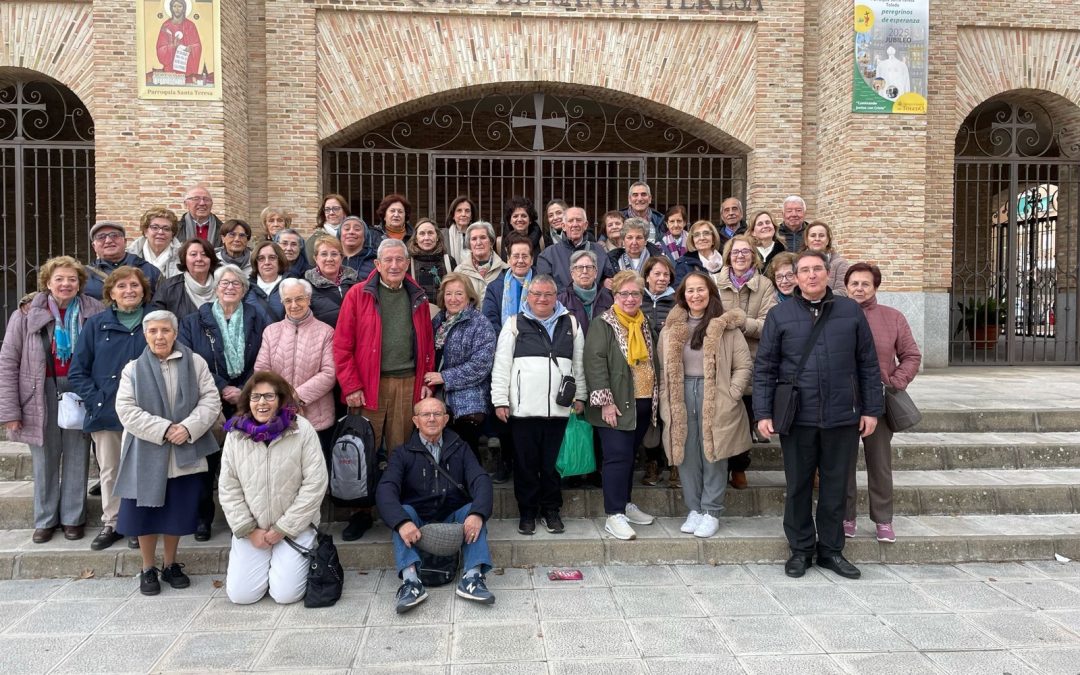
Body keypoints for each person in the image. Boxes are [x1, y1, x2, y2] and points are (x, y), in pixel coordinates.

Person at [753, 250, 883, 580]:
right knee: (798, 485)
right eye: (804, 271)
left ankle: (831, 550)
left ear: (827, 274)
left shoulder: (849, 311)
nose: (811, 275)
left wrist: (871, 408)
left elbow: (867, 364)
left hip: (842, 415)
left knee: (835, 486)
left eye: (817, 269)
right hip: (798, 417)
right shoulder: (779, 316)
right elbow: (765, 368)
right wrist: (763, 412)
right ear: (795, 278)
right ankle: (800, 549)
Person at [114, 310, 221, 595]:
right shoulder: (133, 368)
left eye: (165, 330)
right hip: (147, 449)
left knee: (175, 511)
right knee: (146, 513)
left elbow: (211, 399)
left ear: (175, 333)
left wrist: (187, 428)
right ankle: (148, 567)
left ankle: (171, 563)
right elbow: (126, 409)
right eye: (153, 331)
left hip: (184, 448)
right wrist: (163, 429)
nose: (160, 336)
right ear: (146, 334)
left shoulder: (195, 362)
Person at [0, 257, 105, 543]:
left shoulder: (94, 310)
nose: (66, 284)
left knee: (77, 455)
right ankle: (45, 520)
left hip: (79, 388)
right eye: (59, 278)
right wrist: (10, 409)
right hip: (38, 390)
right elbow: (8, 361)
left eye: (72, 279)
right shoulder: (24, 315)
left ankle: (73, 518)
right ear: (48, 282)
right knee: (44, 458)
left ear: (80, 283)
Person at [376, 398, 495, 614]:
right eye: (425, 414)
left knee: (472, 511)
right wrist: (402, 522)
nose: (432, 418)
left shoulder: (460, 447)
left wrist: (477, 514)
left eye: (437, 414)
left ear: (446, 419)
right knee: (404, 513)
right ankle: (411, 582)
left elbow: (480, 480)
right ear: (416, 420)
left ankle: (472, 578)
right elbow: (386, 489)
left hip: (452, 513)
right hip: (418, 519)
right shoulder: (402, 453)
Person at [219, 372, 328, 605]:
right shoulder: (236, 434)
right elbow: (228, 487)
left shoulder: (301, 429)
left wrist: (283, 528)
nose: (261, 403)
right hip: (253, 529)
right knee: (241, 596)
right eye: (255, 397)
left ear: (280, 399)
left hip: (293, 527)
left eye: (269, 396)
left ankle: (287, 558)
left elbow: (315, 483)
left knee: (285, 595)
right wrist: (249, 530)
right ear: (247, 400)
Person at [658, 272, 753, 538]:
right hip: (681, 393)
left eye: (700, 290)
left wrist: (732, 393)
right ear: (683, 295)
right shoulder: (670, 329)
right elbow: (662, 368)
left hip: (717, 393)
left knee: (713, 452)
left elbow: (744, 365)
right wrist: (666, 399)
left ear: (710, 293)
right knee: (686, 452)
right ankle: (694, 509)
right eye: (690, 291)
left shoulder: (725, 327)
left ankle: (711, 510)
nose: (695, 295)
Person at [179, 265, 269, 541]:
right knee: (208, 462)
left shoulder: (258, 317)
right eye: (224, 283)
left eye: (236, 284)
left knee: (247, 463)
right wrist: (222, 387)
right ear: (215, 288)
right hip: (209, 399)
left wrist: (243, 390)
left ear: (244, 289)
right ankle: (203, 518)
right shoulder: (194, 321)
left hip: (249, 399)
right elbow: (190, 359)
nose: (230, 288)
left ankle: (244, 519)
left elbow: (266, 356)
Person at [491, 275, 585, 535]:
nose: (542, 299)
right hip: (523, 410)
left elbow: (579, 364)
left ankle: (551, 510)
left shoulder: (571, 324)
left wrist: (581, 397)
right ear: (528, 296)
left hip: (559, 409)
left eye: (548, 294)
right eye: (536, 294)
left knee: (552, 464)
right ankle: (528, 512)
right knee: (526, 465)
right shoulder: (514, 324)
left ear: (556, 297)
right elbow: (501, 366)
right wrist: (500, 400)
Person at [69, 267, 151, 551]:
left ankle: (139, 523)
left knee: (144, 468)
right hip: (107, 409)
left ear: (143, 290)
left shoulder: (155, 321)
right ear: (111, 293)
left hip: (147, 411)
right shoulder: (96, 324)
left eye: (134, 285)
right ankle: (114, 522)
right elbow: (77, 371)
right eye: (121, 286)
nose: (129, 290)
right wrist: (97, 399)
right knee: (111, 469)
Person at [334, 238, 436, 462]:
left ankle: (395, 494)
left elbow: (427, 344)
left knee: (401, 450)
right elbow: (342, 346)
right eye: (388, 260)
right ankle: (366, 496)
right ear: (377, 265)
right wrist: (351, 386)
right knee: (365, 447)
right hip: (369, 385)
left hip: (408, 384)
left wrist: (426, 382)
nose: (394, 265)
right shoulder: (358, 295)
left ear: (407, 264)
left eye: (399, 259)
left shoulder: (418, 296)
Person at [843, 263, 921, 543]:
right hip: (843, 400)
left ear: (875, 287)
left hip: (878, 398)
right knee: (842, 463)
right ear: (846, 286)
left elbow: (911, 355)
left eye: (865, 284)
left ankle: (883, 519)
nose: (859, 289)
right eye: (854, 283)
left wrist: (896, 381)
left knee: (879, 463)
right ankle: (846, 516)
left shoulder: (892, 317)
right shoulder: (835, 315)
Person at [583, 271, 660, 541]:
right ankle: (613, 514)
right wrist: (604, 402)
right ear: (614, 296)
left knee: (629, 456)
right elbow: (594, 362)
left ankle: (625, 504)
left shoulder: (644, 322)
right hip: (615, 404)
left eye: (635, 293)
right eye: (624, 294)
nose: (630, 298)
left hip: (641, 401)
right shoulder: (602, 323)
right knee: (616, 457)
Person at [715, 235, 779, 487]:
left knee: (746, 416)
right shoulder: (715, 283)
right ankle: (722, 465)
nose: (740, 256)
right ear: (728, 256)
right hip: (722, 360)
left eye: (745, 252)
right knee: (723, 418)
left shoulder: (765, 285)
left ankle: (739, 467)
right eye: (734, 252)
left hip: (753, 360)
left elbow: (769, 323)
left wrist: (742, 323)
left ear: (754, 255)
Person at [254, 278, 338, 450]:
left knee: (316, 472)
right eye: (288, 300)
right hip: (278, 414)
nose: (294, 305)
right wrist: (282, 398)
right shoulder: (271, 332)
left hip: (316, 419)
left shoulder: (326, 332)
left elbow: (329, 373)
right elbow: (261, 370)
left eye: (299, 298)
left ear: (308, 299)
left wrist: (296, 396)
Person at [480, 234, 534, 483]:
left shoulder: (542, 284)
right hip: (504, 355)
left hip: (534, 356)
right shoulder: (496, 286)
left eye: (525, 255)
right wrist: (509, 341)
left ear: (532, 258)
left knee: (527, 414)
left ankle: (525, 462)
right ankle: (505, 461)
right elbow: (490, 319)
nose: (520, 260)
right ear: (508, 259)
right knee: (504, 410)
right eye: (516, 256)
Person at [423, 273, 496, 458]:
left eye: (459, 294)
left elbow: (481, 365)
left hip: (468, 403)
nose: (453, 299)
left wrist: (444, 377)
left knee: (465, 457)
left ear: (469, 297)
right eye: (448, 294)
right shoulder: (438, 321)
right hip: (438, 398)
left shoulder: (480, 323)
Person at [639, 255, 678, 488]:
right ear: (647, 277)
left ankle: (675, 464)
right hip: (645, 368)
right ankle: (652, 464)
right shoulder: (638, 299)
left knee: (673, 417)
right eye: (657, 274)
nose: (662, 278)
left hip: (672, 368)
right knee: (651, 420)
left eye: (666, 275)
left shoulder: (677, 301)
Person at [536, 207, 615, 291]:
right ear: (563, 226)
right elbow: (545, 287)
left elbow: (609, 280)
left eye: (578, 220)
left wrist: (604, 283)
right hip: (562, 303)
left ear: (585, 225)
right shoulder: (548, 255)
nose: (575, 224)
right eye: (570, 221)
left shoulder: (599, 250)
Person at [84, 221, 162, 301]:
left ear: (125, 242)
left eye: (114, 235)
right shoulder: (84, 276)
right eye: (101, 237)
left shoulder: (150, 271)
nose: (108, 240)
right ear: (94, 246)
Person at [151, 238, 220, 321]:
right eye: (193, 254)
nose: (199, 259)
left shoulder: (224, 285)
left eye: (204, 254)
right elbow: (157, 321)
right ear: (184, 258)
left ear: (211, 259)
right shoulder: (168, 288)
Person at [304, 236, 360, 327]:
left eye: (334, 254)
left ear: (341, 258)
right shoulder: (306, 287)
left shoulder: (356, 282)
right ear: (315, 258)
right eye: (324, 254)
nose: (329, 259)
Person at [558, 248, 615, 337]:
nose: (584, 271)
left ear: (596, 273)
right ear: (572, 273)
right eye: (580, 268)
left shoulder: (609, 299)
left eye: (589, 267)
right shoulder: (561, 301)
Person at [407, 218, 456, 305]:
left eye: (430, 233)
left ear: (437, 237)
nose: (426, 238)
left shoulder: (449, 261)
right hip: (418, 315)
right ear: (415, 239)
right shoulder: (409, 263)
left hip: (445, 315)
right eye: (422, 234)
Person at [456, 222, 509, 299]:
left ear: (491, 242)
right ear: (469, 244)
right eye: (474, 239)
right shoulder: (459, 272)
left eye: (483, 237)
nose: (478, 243)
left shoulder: (505, 270)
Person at [128, 207, 182, 278]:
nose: (160, 232)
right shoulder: (130, 255)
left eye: (166, 229)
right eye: (155, 227)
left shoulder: (182, 256)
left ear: (173, 234)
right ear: (145, 231)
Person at [801, 221, 850, 296]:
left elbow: (843, 291)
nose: (817, 239)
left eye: (821, 235)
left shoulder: (840, 264)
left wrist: (815, 296)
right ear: (806, 241)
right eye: (813, 235)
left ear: (827, 240)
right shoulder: (797, 263)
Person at [156, 0, 202, 76]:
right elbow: (160, 49)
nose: (177, 9)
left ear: (184, 8)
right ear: (171, 8)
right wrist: (172, 46)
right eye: (174, 6)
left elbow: (197, 46)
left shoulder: (190, 25)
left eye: (180, 6)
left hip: (187, 70)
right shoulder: (166, 26)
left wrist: (191, 48)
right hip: (170, 70)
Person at [245, 240, 287, 323]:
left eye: (272, 258)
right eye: (261, 258)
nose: (267, 262)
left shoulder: (291, 285)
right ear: (255, 262)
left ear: (280, 260)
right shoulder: (246, 288)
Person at [674, 220, 724, 284]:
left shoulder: (726, 261)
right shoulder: (683, 264)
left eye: (706, 233)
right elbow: (678, 291)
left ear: (713, 239)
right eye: (696, 235)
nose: (702, 238)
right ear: (693, 241)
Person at [306, 193, 349, 264]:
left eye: (336, 208)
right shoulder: (314, 240)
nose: (331, 213)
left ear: (344, 211)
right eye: (327, 209)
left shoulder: (353, 236)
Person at [339, 215, 381, 280]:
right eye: (347, 229)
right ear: (340, 235)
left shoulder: (375, 261)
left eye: (357, 229)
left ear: (365, 236)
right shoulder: (331, 259)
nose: (351, 232)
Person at [443, 195, 478, 263]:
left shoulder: (478, 235)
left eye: (467, 211)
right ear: (453, 215)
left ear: (471, 216)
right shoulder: (443, 236)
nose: (463, 214)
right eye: (459, 210)